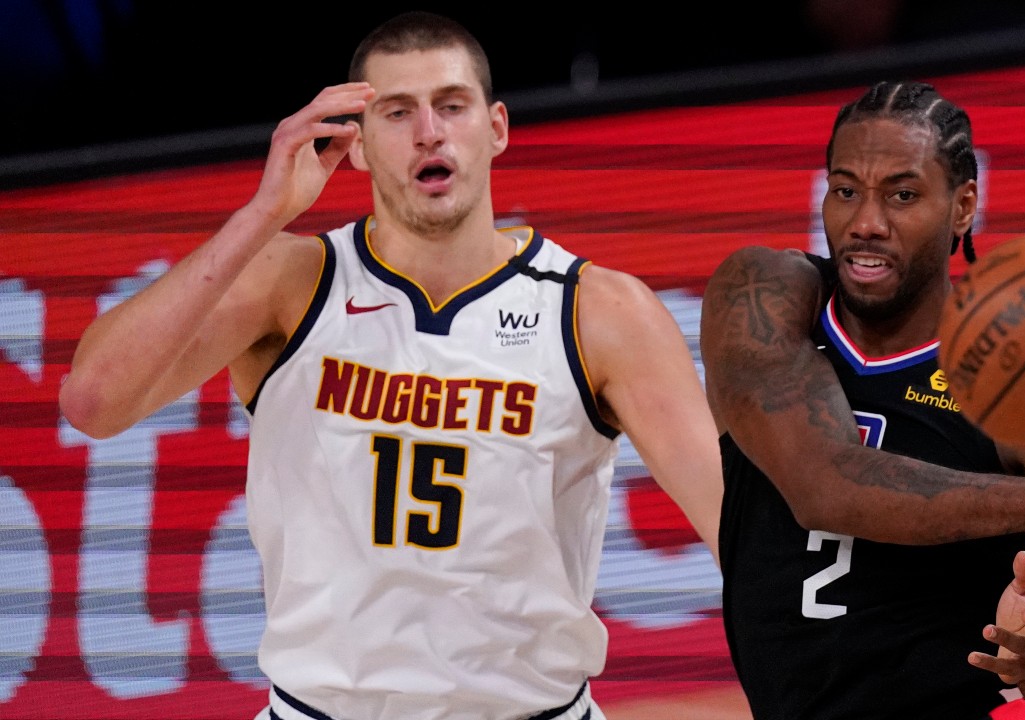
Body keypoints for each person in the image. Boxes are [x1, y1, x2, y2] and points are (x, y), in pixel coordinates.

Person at [58, 11, 724, 720]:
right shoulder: (291, 281)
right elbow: (94, 402)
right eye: (398, 113)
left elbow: (740, 531)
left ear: (496, 128)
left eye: (452, 106)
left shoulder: (599, 311)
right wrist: (264, 212)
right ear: (358, 147)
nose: (430, 131)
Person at [700, 80, 1025, 720]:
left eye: (903, 194)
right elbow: (823, 486)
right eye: (845, 191)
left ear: (963, 205)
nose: (866, 223)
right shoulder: (763, 294)